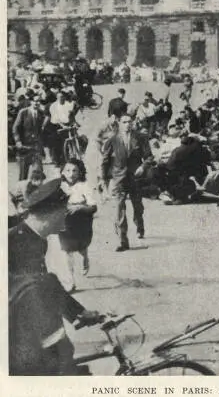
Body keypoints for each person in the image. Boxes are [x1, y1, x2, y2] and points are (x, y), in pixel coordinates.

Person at [9, 178, 103, 375]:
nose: (66, 217)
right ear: (50, 214)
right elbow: (33, 289)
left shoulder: (34, 238)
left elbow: (45, 284)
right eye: (64, 211)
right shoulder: (16, 241)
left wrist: (77, 312)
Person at [100, 114, 154, 251]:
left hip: (135, 177)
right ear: (119, 123)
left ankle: (139, 225)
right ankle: (122, 241)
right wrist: (104, 180)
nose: (127, 124)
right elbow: (105, 161)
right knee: (119, 208)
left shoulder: (140, 138)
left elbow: (149, 157)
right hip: (119, 178)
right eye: (124, 122)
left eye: (130, 121)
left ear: (133, 123)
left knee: (137, 206)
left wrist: (143, 167)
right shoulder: (112, 140)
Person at [56, 159, 98, 291]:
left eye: (74, 170)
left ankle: (85, 258)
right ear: (62, 172)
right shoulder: (59, 186)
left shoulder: (84, 186)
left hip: (81, 222)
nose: (71, 174)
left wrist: (80, 207)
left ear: (80, 172)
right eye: (68, 170)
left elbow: (93, 207)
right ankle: (70, 282)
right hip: (65, 222)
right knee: (66, 250)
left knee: (80, 247)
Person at [13, 91, 47, 180]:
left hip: (36, 147)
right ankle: (21, 192)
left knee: (38, 172)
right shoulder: (23, 112)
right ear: (31, 102)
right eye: (35, 101)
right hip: (25, 146)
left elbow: (41, 130)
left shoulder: (41, 113)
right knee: (23, 173)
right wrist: (18, 141)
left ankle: (36, 192)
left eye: (39, 101)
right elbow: (15, 128)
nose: (37, 103)